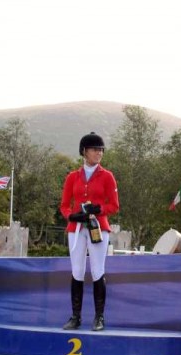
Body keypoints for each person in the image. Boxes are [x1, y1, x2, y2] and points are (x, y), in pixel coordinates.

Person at [60, 132, 119, 331]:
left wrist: (99, 209)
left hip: (98, 228)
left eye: (101, 150)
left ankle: (99, 317)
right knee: (76, 270)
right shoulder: (72, 177)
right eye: (95, 149)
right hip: (76, 229)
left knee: (97, 270)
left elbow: (114, 205)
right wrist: (71, 216)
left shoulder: (108, 176)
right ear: (84, 151)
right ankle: (75, 317)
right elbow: (64, 205)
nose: (99, 153)